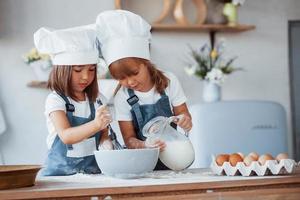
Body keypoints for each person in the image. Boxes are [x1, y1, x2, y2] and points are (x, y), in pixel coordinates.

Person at [96, 10, 192, 170]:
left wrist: (185, 120)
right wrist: (145, 145)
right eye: (121, 78)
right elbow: (129, 139)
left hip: (175, 159)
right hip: (142, 164)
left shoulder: (169, 81)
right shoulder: (122, 97)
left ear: (146, 62)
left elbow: (184, 115)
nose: (130, 82)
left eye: (134, 73)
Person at [34, 25, 112, 176]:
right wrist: (96, 124)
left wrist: (105, 142)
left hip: (93, 174)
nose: (85, 77)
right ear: (62, 70)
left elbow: (104, 133)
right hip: (59, 177)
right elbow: (66, 136)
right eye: (78, 70)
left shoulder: (98, 100)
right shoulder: (56, 100)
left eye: (91, 70)